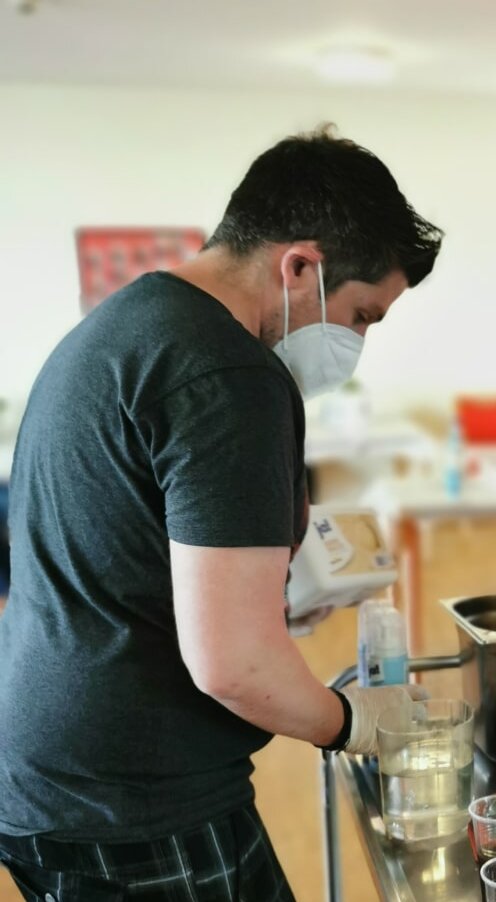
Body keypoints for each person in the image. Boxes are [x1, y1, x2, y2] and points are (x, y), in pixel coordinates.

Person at [0, 125, 442, 900]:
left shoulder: (127, 324)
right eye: (364, 315)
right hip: (132, 800)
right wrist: (355, 722)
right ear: (300, 266)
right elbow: (233, 665)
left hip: (46, 774)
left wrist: (264, 603)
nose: (357, 341)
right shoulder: (229, 374)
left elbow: (122, 559)